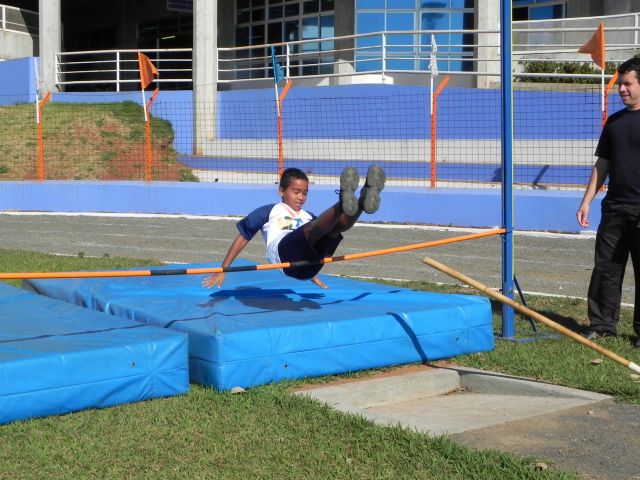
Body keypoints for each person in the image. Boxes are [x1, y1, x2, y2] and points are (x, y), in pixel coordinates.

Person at [203, 165, 386, 290]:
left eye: (305, 193)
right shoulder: (269, 211)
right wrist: (223, 269)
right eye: (296, 192)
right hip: (283, 254)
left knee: (333, 230)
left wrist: (313, 276)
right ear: (281, 191)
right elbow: (243, 237)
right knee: (312, 230)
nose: (301, 197)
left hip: (310, 266)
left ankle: (362, 200)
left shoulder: (309, 216)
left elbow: (318, 235)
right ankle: (342, 202)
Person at [577, 56, 640, 347]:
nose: (622, 89)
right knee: (606, 268)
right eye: (620, 84)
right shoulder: (614, 122)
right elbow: (602, 165)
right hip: (614, 208)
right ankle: (602, 325)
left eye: (627, 84)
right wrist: (586, 201)